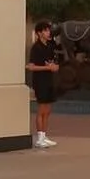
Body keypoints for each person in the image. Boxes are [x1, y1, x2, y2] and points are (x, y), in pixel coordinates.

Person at [27, 20, 61, 149]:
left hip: (49, 80)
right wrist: (47, 68)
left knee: (48, 110)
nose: (48, 32)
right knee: (41, 109)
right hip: (40, 81)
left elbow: (51, 63)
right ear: (39, 33)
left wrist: (54, 67)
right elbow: (31, 67)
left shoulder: (49, 46)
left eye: (48, 30)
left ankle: (44, 136)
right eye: (45, 30)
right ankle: (39, 138)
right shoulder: (36, 48)